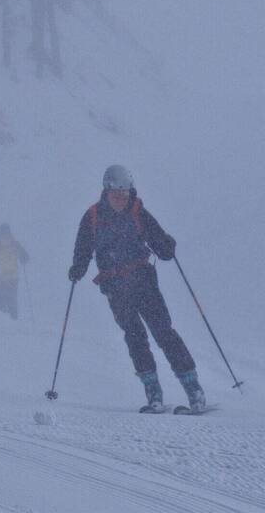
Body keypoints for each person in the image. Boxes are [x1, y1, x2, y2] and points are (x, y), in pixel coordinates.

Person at [68, 165, 205, 413]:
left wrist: (166, 246)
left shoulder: (138, 213)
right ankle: (153, 392)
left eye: (125, 193)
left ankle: (193, 388)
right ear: (106, 191)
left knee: (163, 332)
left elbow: (160, 244)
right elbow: (83, 248)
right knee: (135, 337)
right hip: (115, 287)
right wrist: (78, 268)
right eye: (116, 194)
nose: (121, 199)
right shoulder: (93, 217)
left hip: (144, 282)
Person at [0, 223, 29, 320]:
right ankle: (12, 319)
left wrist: (23, 257)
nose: (5, 234)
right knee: (10, 299)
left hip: (5, 277)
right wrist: (23, 257)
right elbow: (25, 257)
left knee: (3, 299)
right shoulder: (13, 244)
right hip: (9, 277)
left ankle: (4, 321)